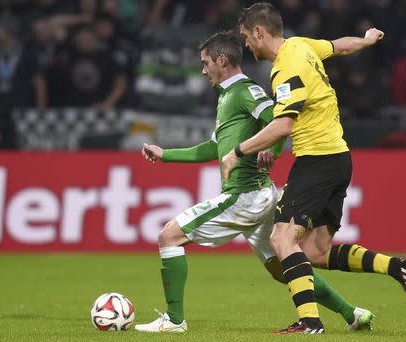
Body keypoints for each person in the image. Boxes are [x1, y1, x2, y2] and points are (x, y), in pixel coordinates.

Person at [135, 31, 374, 334]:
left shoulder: (245, 91)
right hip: (261, 197)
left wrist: (269, 151)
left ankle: (173, 320)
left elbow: (278, 119)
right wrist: (165, 154)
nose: (203, 70)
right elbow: (212, 148)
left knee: (169, 236)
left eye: (205, 63)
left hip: (244, 196)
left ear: (222, 60)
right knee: (286, 267)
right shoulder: (227, 97)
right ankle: (351, 313)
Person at [221, 2, 406, 334]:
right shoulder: (301, 45)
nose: (246, 45)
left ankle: (309, 322)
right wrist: (365, 40)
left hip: (316, 160)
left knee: (281, 237)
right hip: (338, 158)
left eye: (246, 37)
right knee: (316, 252)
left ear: (259, 31)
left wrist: (238, 151)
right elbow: (338, 47)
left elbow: (283, 124)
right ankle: (399, 267)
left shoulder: (286, 68)